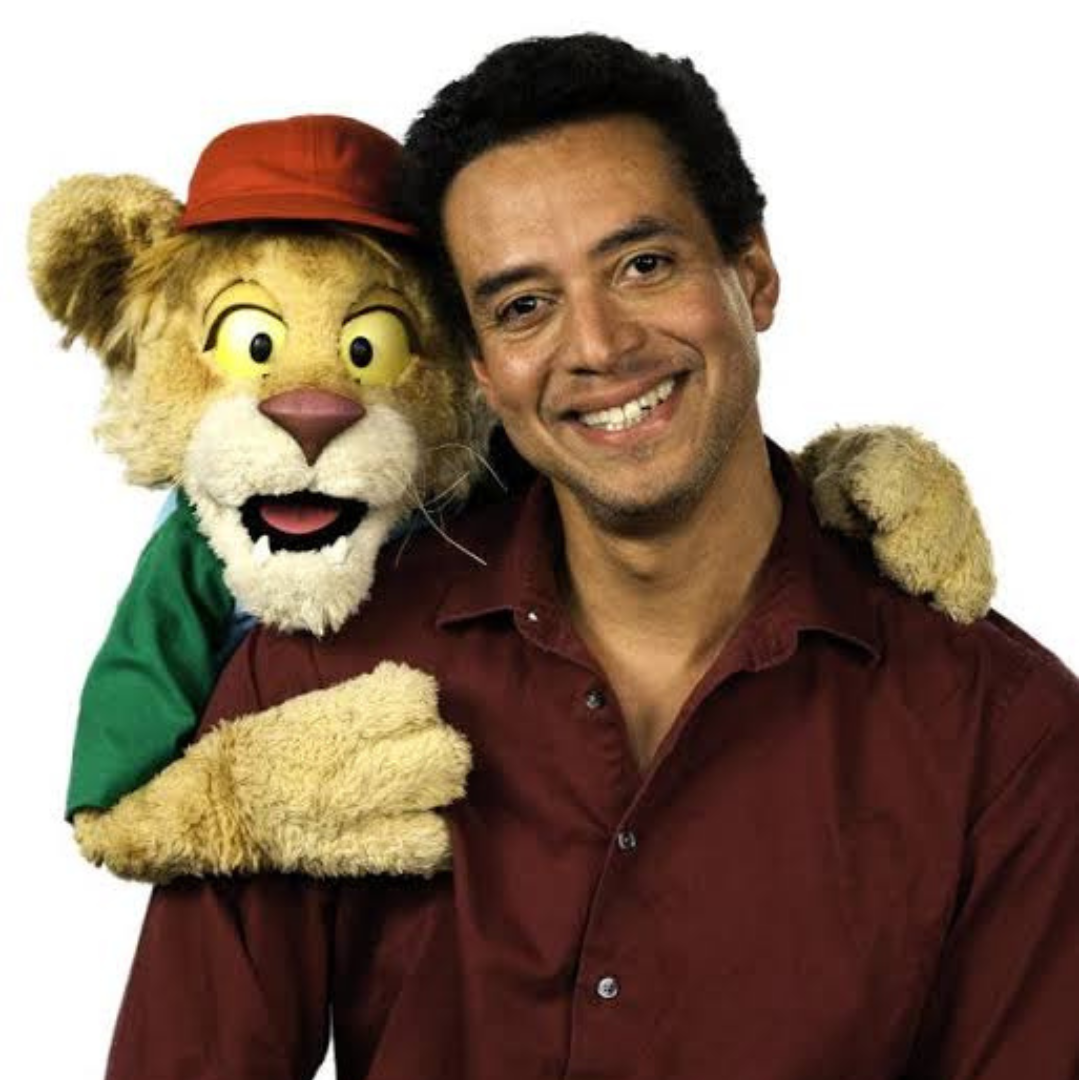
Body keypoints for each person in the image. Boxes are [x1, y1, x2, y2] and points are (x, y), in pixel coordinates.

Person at [105, 34, 1079, 1079]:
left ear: (752, 274)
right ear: (481, 368)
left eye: (643, 266)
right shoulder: (317, 675)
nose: (602, 347)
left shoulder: (1002, 733)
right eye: (524, 305)